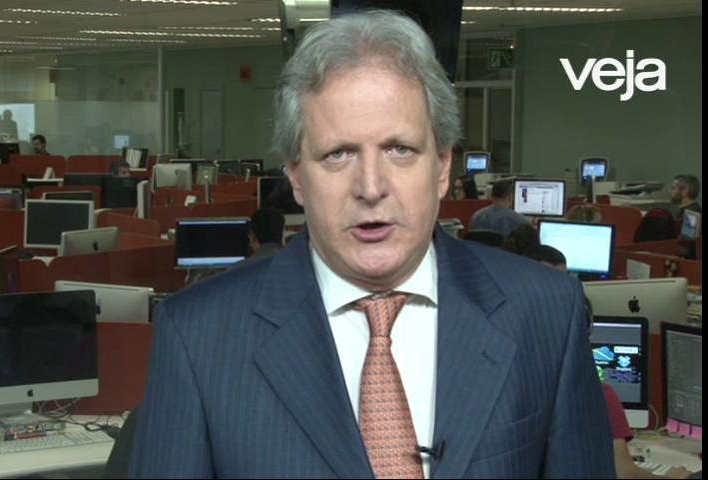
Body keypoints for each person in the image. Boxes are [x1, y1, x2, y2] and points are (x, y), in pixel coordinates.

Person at [128, 10, 614, 478]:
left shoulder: (546, 312)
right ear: (296, 176)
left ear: (443, 166)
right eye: (338, 154)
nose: (371, 187)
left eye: (400, 149)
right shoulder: (197, 335)